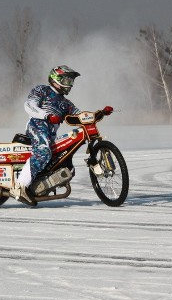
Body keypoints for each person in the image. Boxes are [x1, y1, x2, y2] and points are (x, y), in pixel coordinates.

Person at [10, 65, 113, 205]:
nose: (69, 84)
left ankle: (39, 186)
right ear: (56, 78)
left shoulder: (66, 104)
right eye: (67, 80)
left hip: (50, 134)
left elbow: (80, 117)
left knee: (65, 161)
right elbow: (29, 105)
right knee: (43, 152)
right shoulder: (42, 90)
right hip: (38, 125)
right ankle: (19, 187)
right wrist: (46, 116)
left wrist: (100, 113)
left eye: (71, 81)